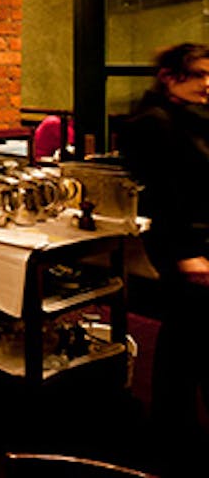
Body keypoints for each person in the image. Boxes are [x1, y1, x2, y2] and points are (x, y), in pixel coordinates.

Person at [119, 43, 209, 474]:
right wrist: (186, 254)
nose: (208, 85)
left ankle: (175, 433)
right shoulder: (153, 124)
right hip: (184, 246)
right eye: (199, 75)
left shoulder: (186, 118)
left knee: (188, 338)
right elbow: (163, 196)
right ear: (170, 77)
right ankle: (173, 438)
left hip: (197, 243)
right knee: (186, 339)